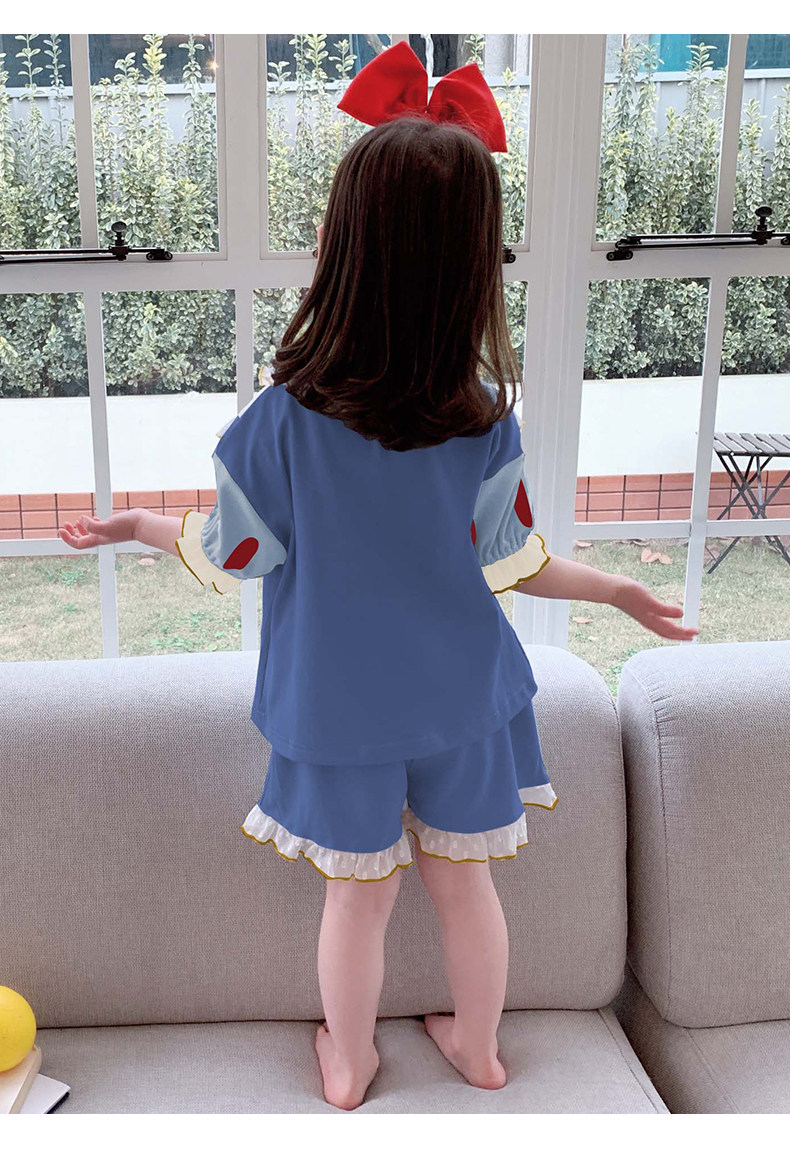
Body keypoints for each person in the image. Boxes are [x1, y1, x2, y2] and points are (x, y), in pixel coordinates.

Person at [57, 41, 698, 1112]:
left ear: (342, 249)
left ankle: (350, 1065)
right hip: (464, 705)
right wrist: (621, 591)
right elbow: (515, 561)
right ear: (470, 268)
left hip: (336, 712)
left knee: (356, 903)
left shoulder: (282, 424)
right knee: (466, 886)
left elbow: (237, 554)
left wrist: (137, 525)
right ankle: (479, 1050)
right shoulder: (482, 422)